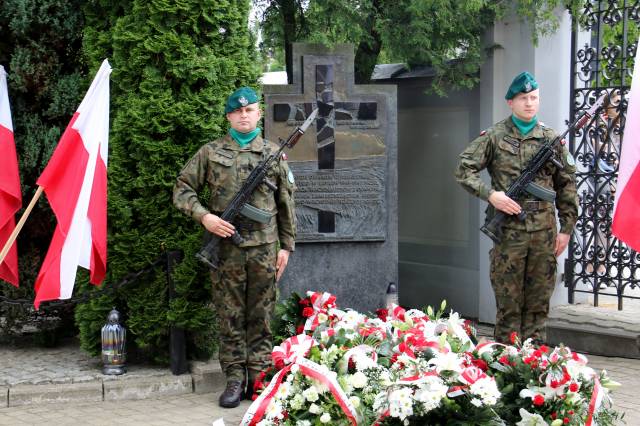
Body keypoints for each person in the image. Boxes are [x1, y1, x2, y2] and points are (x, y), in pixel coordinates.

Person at [173, 87, 296, 408]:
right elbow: (182, 189)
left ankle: (258, 376)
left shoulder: (273, 154)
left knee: (262, 314)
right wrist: (206, 218)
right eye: (237, 111)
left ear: (259, 114)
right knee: (229, 315)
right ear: (228, 116)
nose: (244, 115)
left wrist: (287, 247)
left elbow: (286, 203)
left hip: (265, 250)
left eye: (250, 110)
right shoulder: (210, 153)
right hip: (225, 250)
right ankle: (233, 378)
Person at [455, 72, 578, 344]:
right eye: (523, 98)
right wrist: (491, 195)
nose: (530, 103)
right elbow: (464, 170)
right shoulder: (495, 136)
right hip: (509, 232)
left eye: (534, 98)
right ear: (511, 102)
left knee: (537, 308)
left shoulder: (552, 139)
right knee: (508, 306)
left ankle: (535, 368)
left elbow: (567, 186)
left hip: (545, 233)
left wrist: (566, 230)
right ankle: (506, 364)